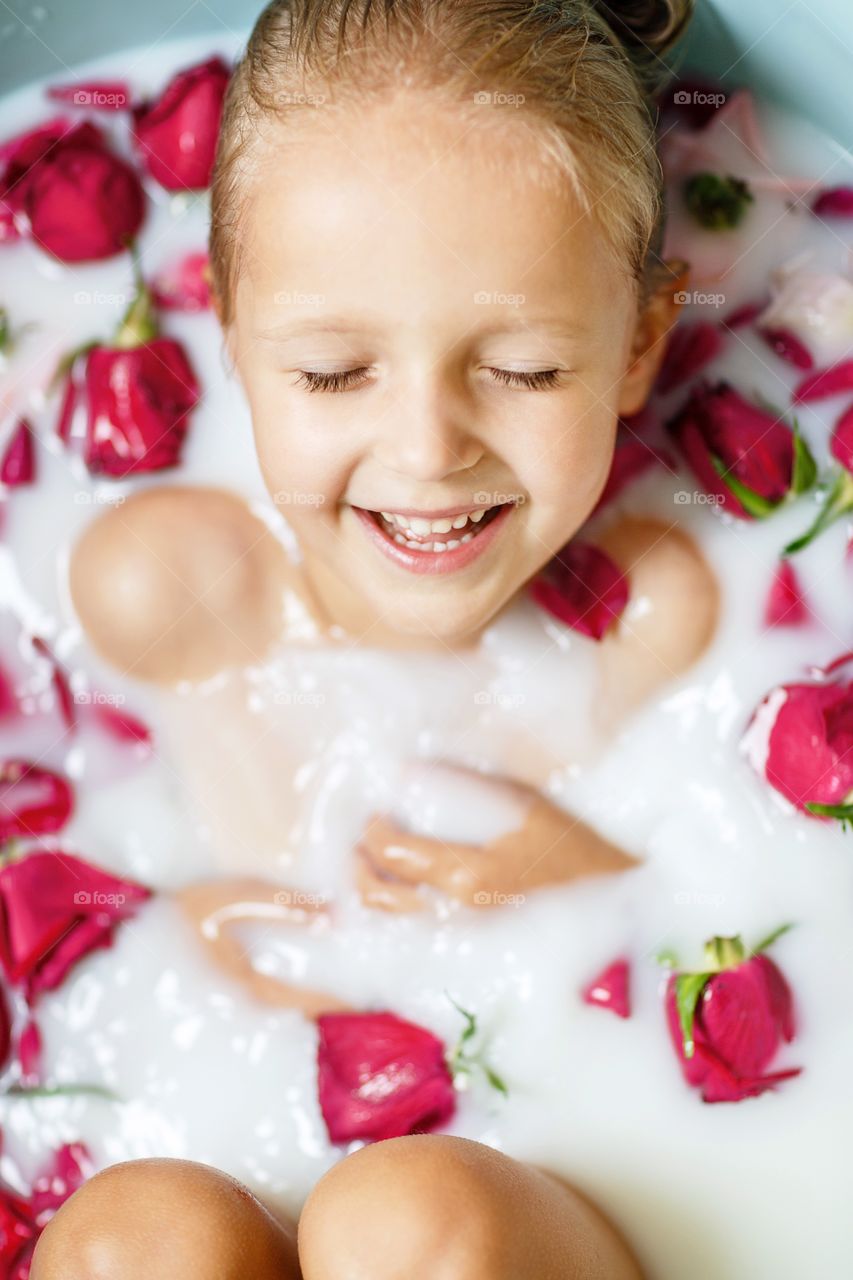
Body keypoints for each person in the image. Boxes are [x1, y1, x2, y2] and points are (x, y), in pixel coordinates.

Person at [46, 0, 718, 1274]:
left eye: (523, 369)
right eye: (333, 372)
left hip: (536, 1164)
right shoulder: (169, 589)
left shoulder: (651, 608)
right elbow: (147, 867)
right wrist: (196, 934)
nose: (424, 451)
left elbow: (701, 875)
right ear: (230, 329)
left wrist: (570, 866)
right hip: (222, 1106)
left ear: (638, 341)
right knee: (128, 1247)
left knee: (416, 1230)